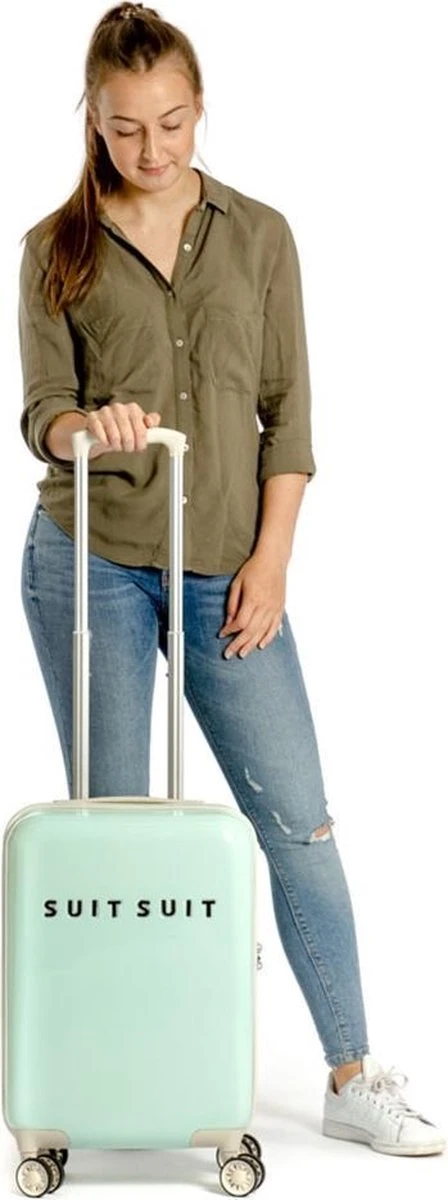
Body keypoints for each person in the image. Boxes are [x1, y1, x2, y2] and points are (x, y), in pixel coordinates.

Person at [18, 1, 445, 1157]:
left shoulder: (260, 235)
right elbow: (41, 413)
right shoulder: (56, 247)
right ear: (92, 120)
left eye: (170, 123)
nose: (151, 149)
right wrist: (89, 428)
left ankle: (353, 1074)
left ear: (199, 107)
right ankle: (120, 1079)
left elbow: (287, 415)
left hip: (225, 566)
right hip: (92, 560)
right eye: (124, 128)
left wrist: (271, 561)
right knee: (116, 836)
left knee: (297, 821)